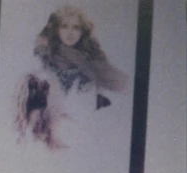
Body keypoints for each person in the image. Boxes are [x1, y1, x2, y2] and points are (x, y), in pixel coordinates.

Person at [15, 4, 128, 150]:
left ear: (83, 31)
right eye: (64, 26)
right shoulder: (44, 56)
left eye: (76, 27)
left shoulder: (93, 57)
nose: (70, 32)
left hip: (88, 129)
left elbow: (119, 85)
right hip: (51, 131)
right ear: (56, 29)